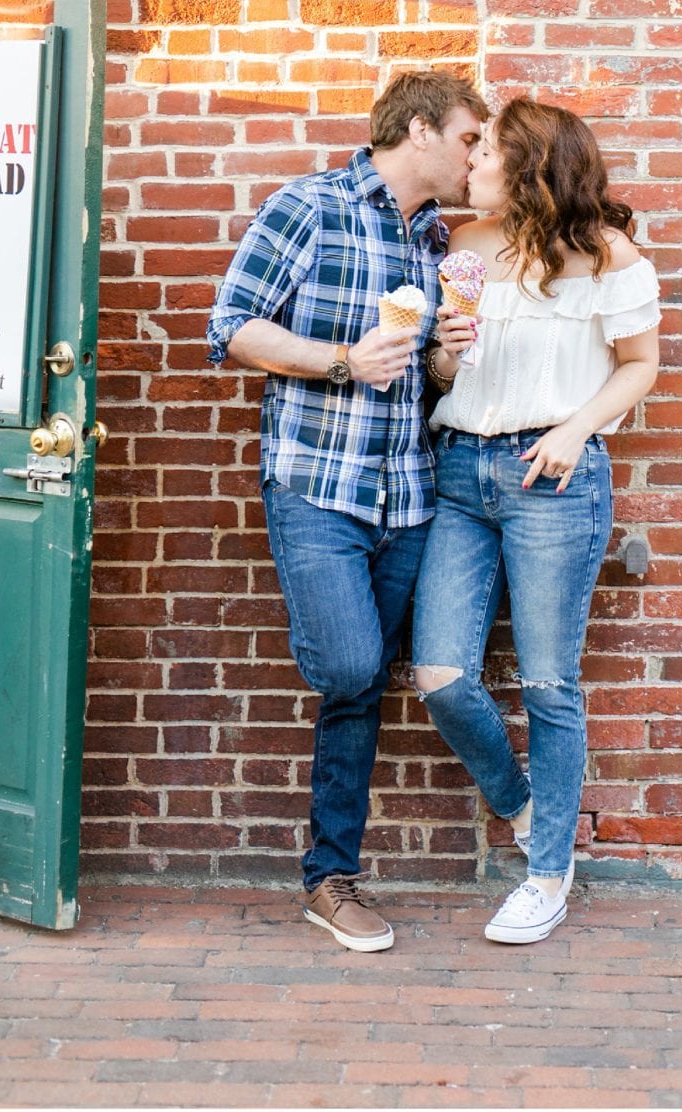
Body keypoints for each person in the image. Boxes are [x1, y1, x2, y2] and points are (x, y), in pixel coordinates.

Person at [206, 70, 488, 951]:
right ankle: (330, 875)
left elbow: (426, 385)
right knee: (352, 667)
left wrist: (445, 357)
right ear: (417, 131)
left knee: (359, 692)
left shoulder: (436, 240)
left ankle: (330, 879)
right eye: (469, 138)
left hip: (406, 496)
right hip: (318, 491)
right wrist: (340, 361)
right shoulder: (309, 206)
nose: (477, 157)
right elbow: (231, 326)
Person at [413, 99, 660, 946]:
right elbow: (448, 374)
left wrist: (574, 427)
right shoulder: (468, 246)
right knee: (441, 677)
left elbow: (640, 366)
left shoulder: (610, 257)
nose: (470, 162)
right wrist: (445, 350)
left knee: (550, 685)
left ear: (528, 169)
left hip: (552, 478)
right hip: (461, 473)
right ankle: (522, 805)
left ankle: (548, 873)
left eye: (486, 153)